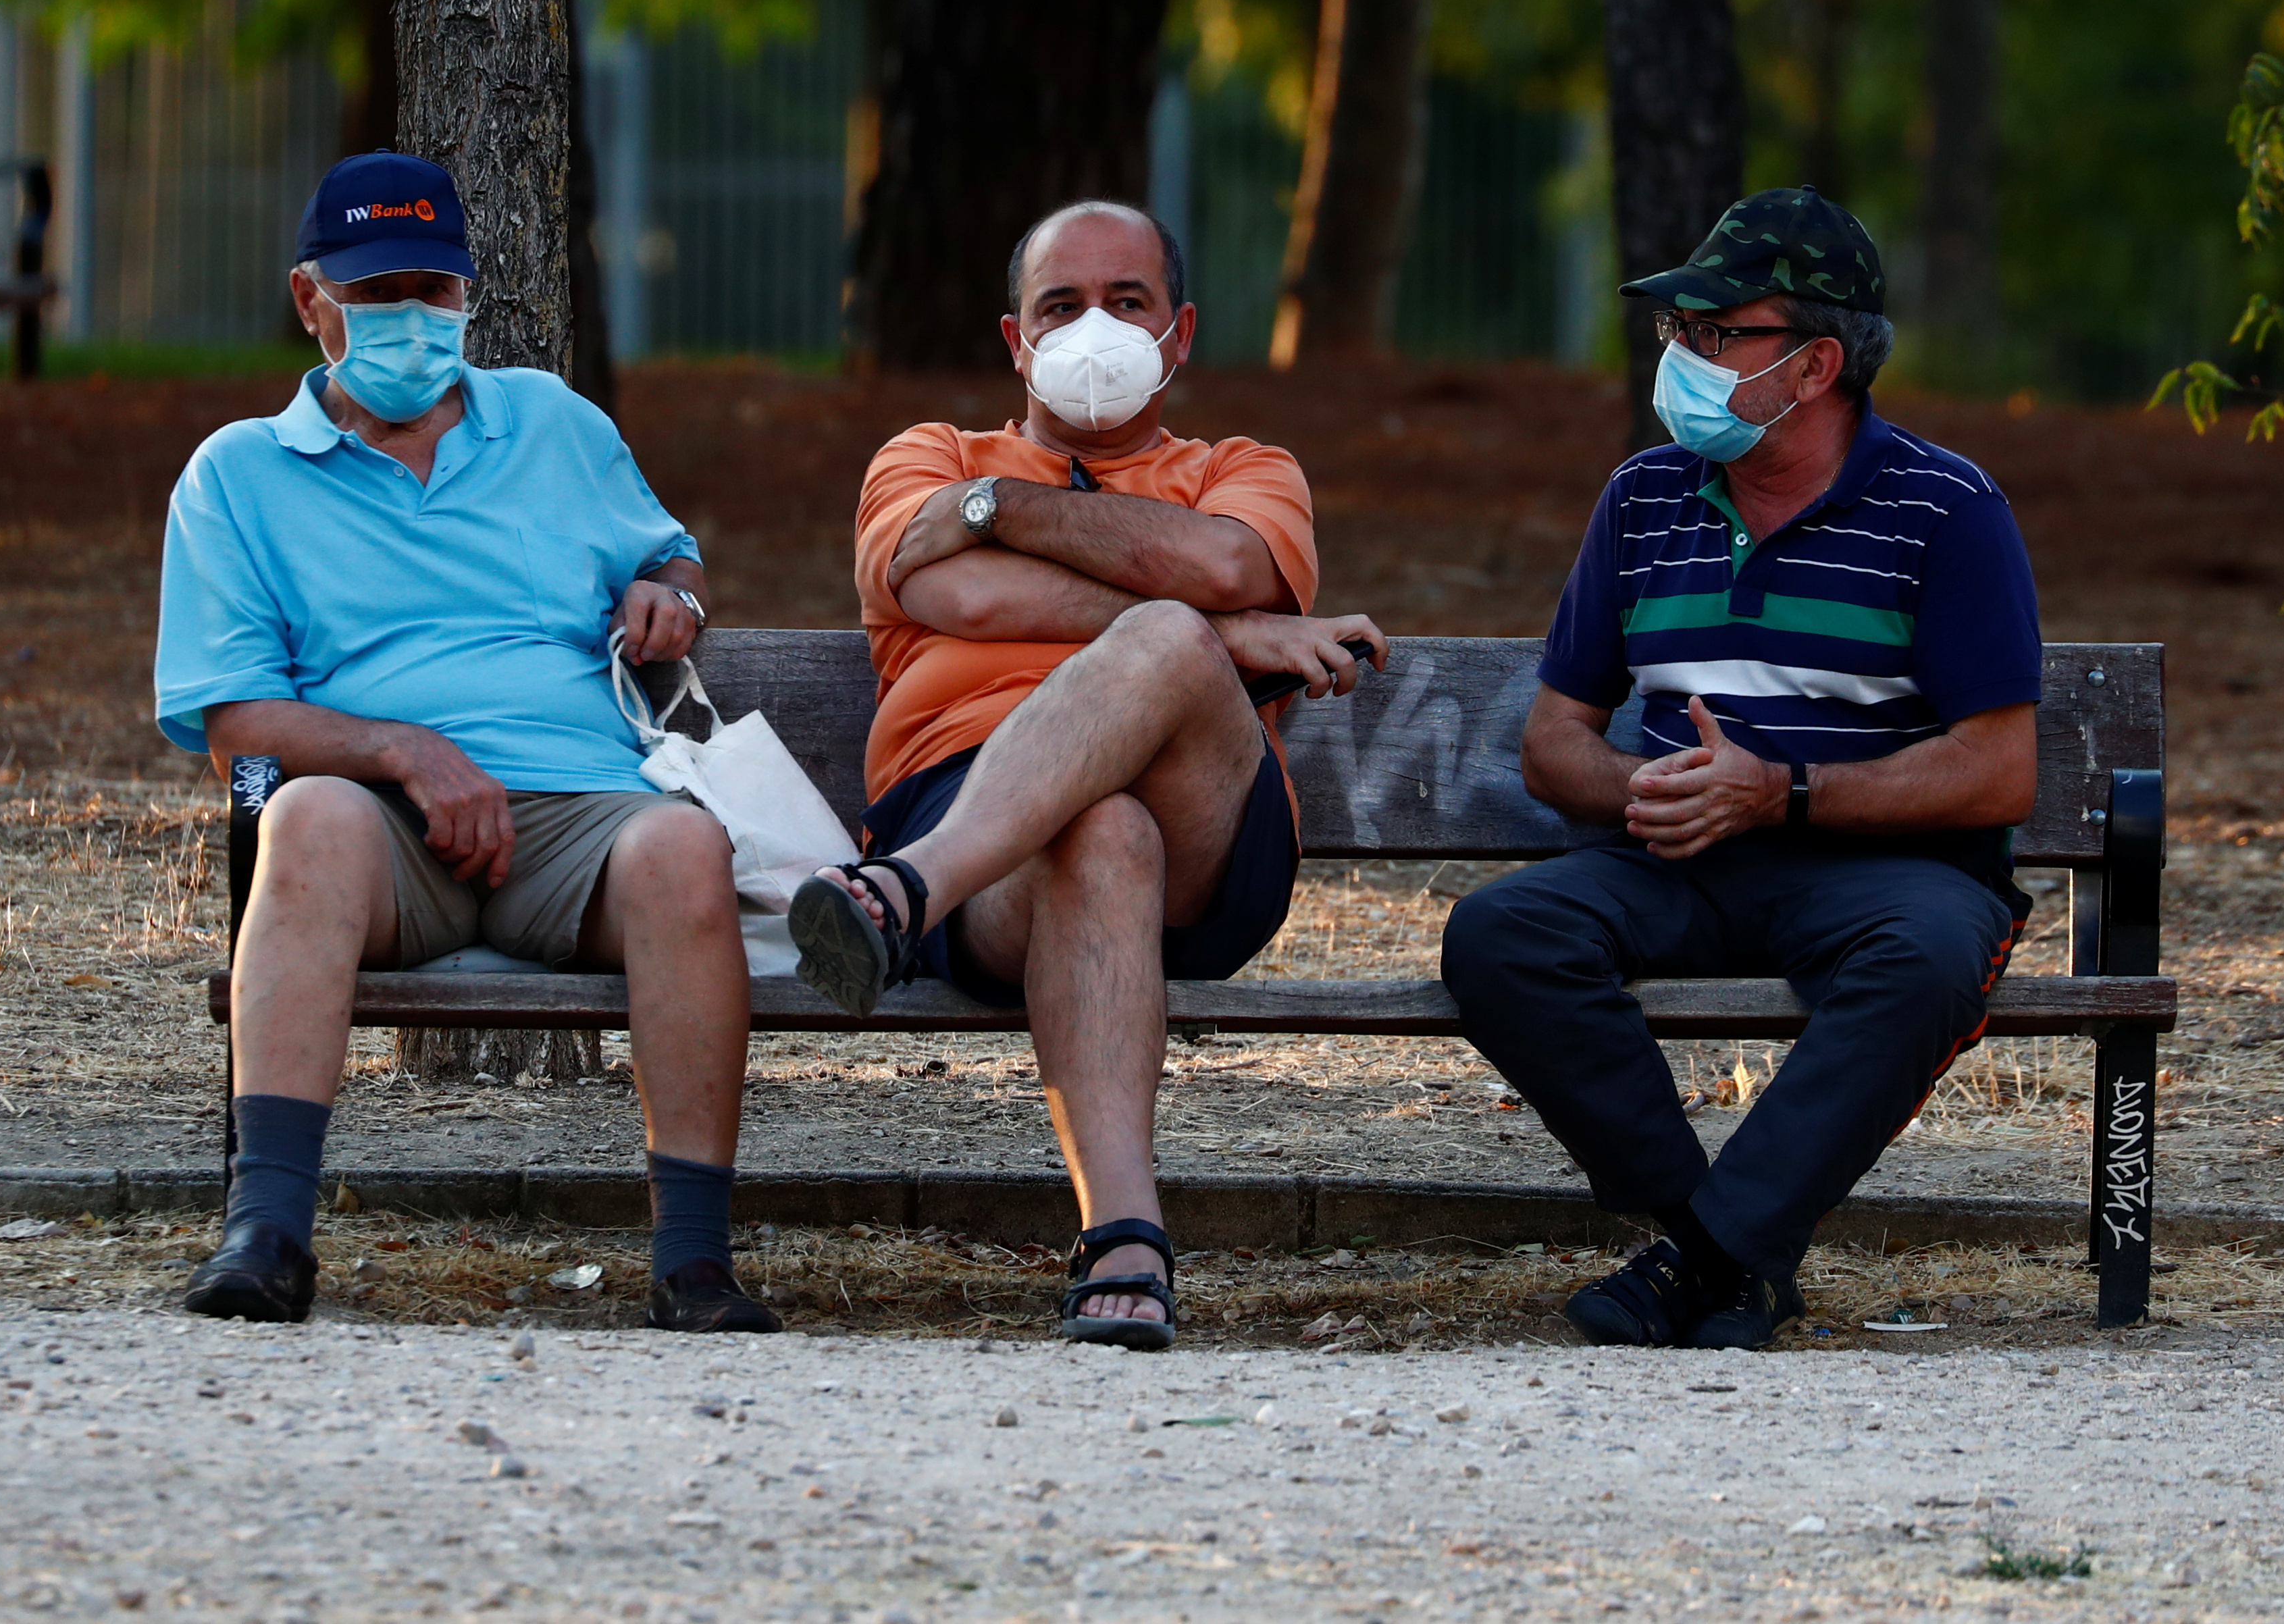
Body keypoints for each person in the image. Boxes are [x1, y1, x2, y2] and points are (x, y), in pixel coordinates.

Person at [153, 152, 773, 1332]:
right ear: (310, 300)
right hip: (378, 823)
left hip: (580, 810)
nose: (410, 320)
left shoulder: (551, 421)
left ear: (467, 297)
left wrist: (672, 599)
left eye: (433, 293)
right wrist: (404, 753)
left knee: (683, 853)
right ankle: (267, 1234)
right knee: (302, 817)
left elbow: (667, 551)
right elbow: (234, 723)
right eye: (375, 292)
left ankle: (696, 1260)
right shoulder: (237, 475)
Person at [1442, 187, 2043, 1350]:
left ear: (1815, 365)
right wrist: (1646, 790)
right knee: (1501, 934)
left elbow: (1997, 771)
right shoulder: (1642, 496)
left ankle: (1699, 1261)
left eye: (1716, 335)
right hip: (1674, 858)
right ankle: (1714, 1249)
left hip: (1879, 871)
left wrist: (1782, 791)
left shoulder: (1945, 509)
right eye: (1677, 331)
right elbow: (1554, 737)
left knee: (1927, 959)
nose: (1682, 356)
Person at [797, 201, 1385, 1351]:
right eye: (1060, 306)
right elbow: (939, 593)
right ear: (1014, 340)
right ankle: (1124, 1234)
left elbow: (1226, 559)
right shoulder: (932, 461)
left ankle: (903, 891)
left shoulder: (1242, 470)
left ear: (1180, 335)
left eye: (1127, 303)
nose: (1093, 328)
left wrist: (1008, 522)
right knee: (1099, 819)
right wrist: (1237, 633)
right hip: (983, 821)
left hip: (1200, 840)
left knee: (1169, 642)